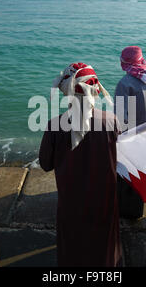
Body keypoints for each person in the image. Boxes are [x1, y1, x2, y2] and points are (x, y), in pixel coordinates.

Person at [39, 62, 123, 267]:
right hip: (104, 197)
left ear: (65, 92)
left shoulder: (55, 125)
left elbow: (45, 164)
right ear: (95, 90)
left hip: (71, 198)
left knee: (73, 243)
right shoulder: (112, 121)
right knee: (104, 242)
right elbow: (122, 159)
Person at [114, 46, 146, 219]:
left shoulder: (125, 83)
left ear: (124, 62)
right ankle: (138, 209)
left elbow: (120, 118)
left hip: (131, 137)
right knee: (143, 173)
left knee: (127, 176)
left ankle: (127, 211)